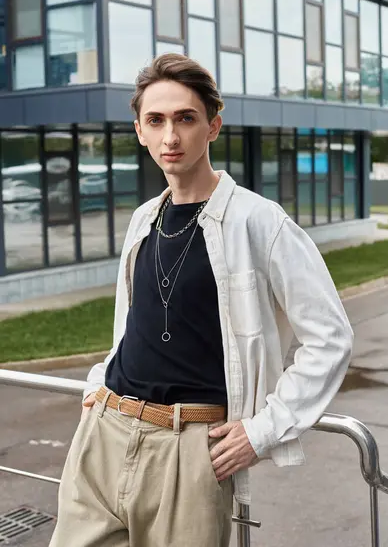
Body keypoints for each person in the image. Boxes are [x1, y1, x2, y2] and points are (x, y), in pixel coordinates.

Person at [49, 54, 353, 547]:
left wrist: (262, 431)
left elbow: (331, 337)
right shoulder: (144, 219)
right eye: (156, 121)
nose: (171, 136)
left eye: (185, 118)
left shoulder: (259, 221)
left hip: (189, 451)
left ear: (213, 126)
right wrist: (98, 383)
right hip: (104, 435)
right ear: (140, 131)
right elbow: (134, 323)